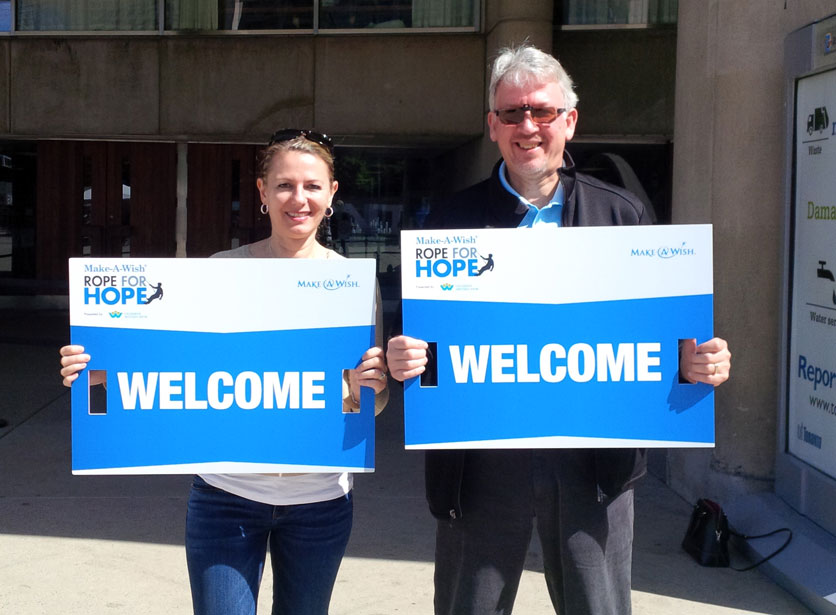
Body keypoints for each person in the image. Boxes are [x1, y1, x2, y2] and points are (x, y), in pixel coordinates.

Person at [386, 45, 732, 615]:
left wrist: (696, 364)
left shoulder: (623, 216)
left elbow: (659, 340)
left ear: (569, 121)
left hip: (591, 462)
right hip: (481, 462)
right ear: (492, 126)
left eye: (542, 112)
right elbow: (428, 352)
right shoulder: (449, 223)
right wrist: (408, 360)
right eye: (512, 113)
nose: (528, 126)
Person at [59, 129, 390, 615]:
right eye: (284, 185)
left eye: (312, 186)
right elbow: (173, 363)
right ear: (261, 192)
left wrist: (372, 389)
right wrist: (100, 372)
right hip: (227, 498)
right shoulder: (221, 269)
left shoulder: (356, 285)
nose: (298, 199)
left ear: (332, 193)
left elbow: (371, 403)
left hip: (320, 503)